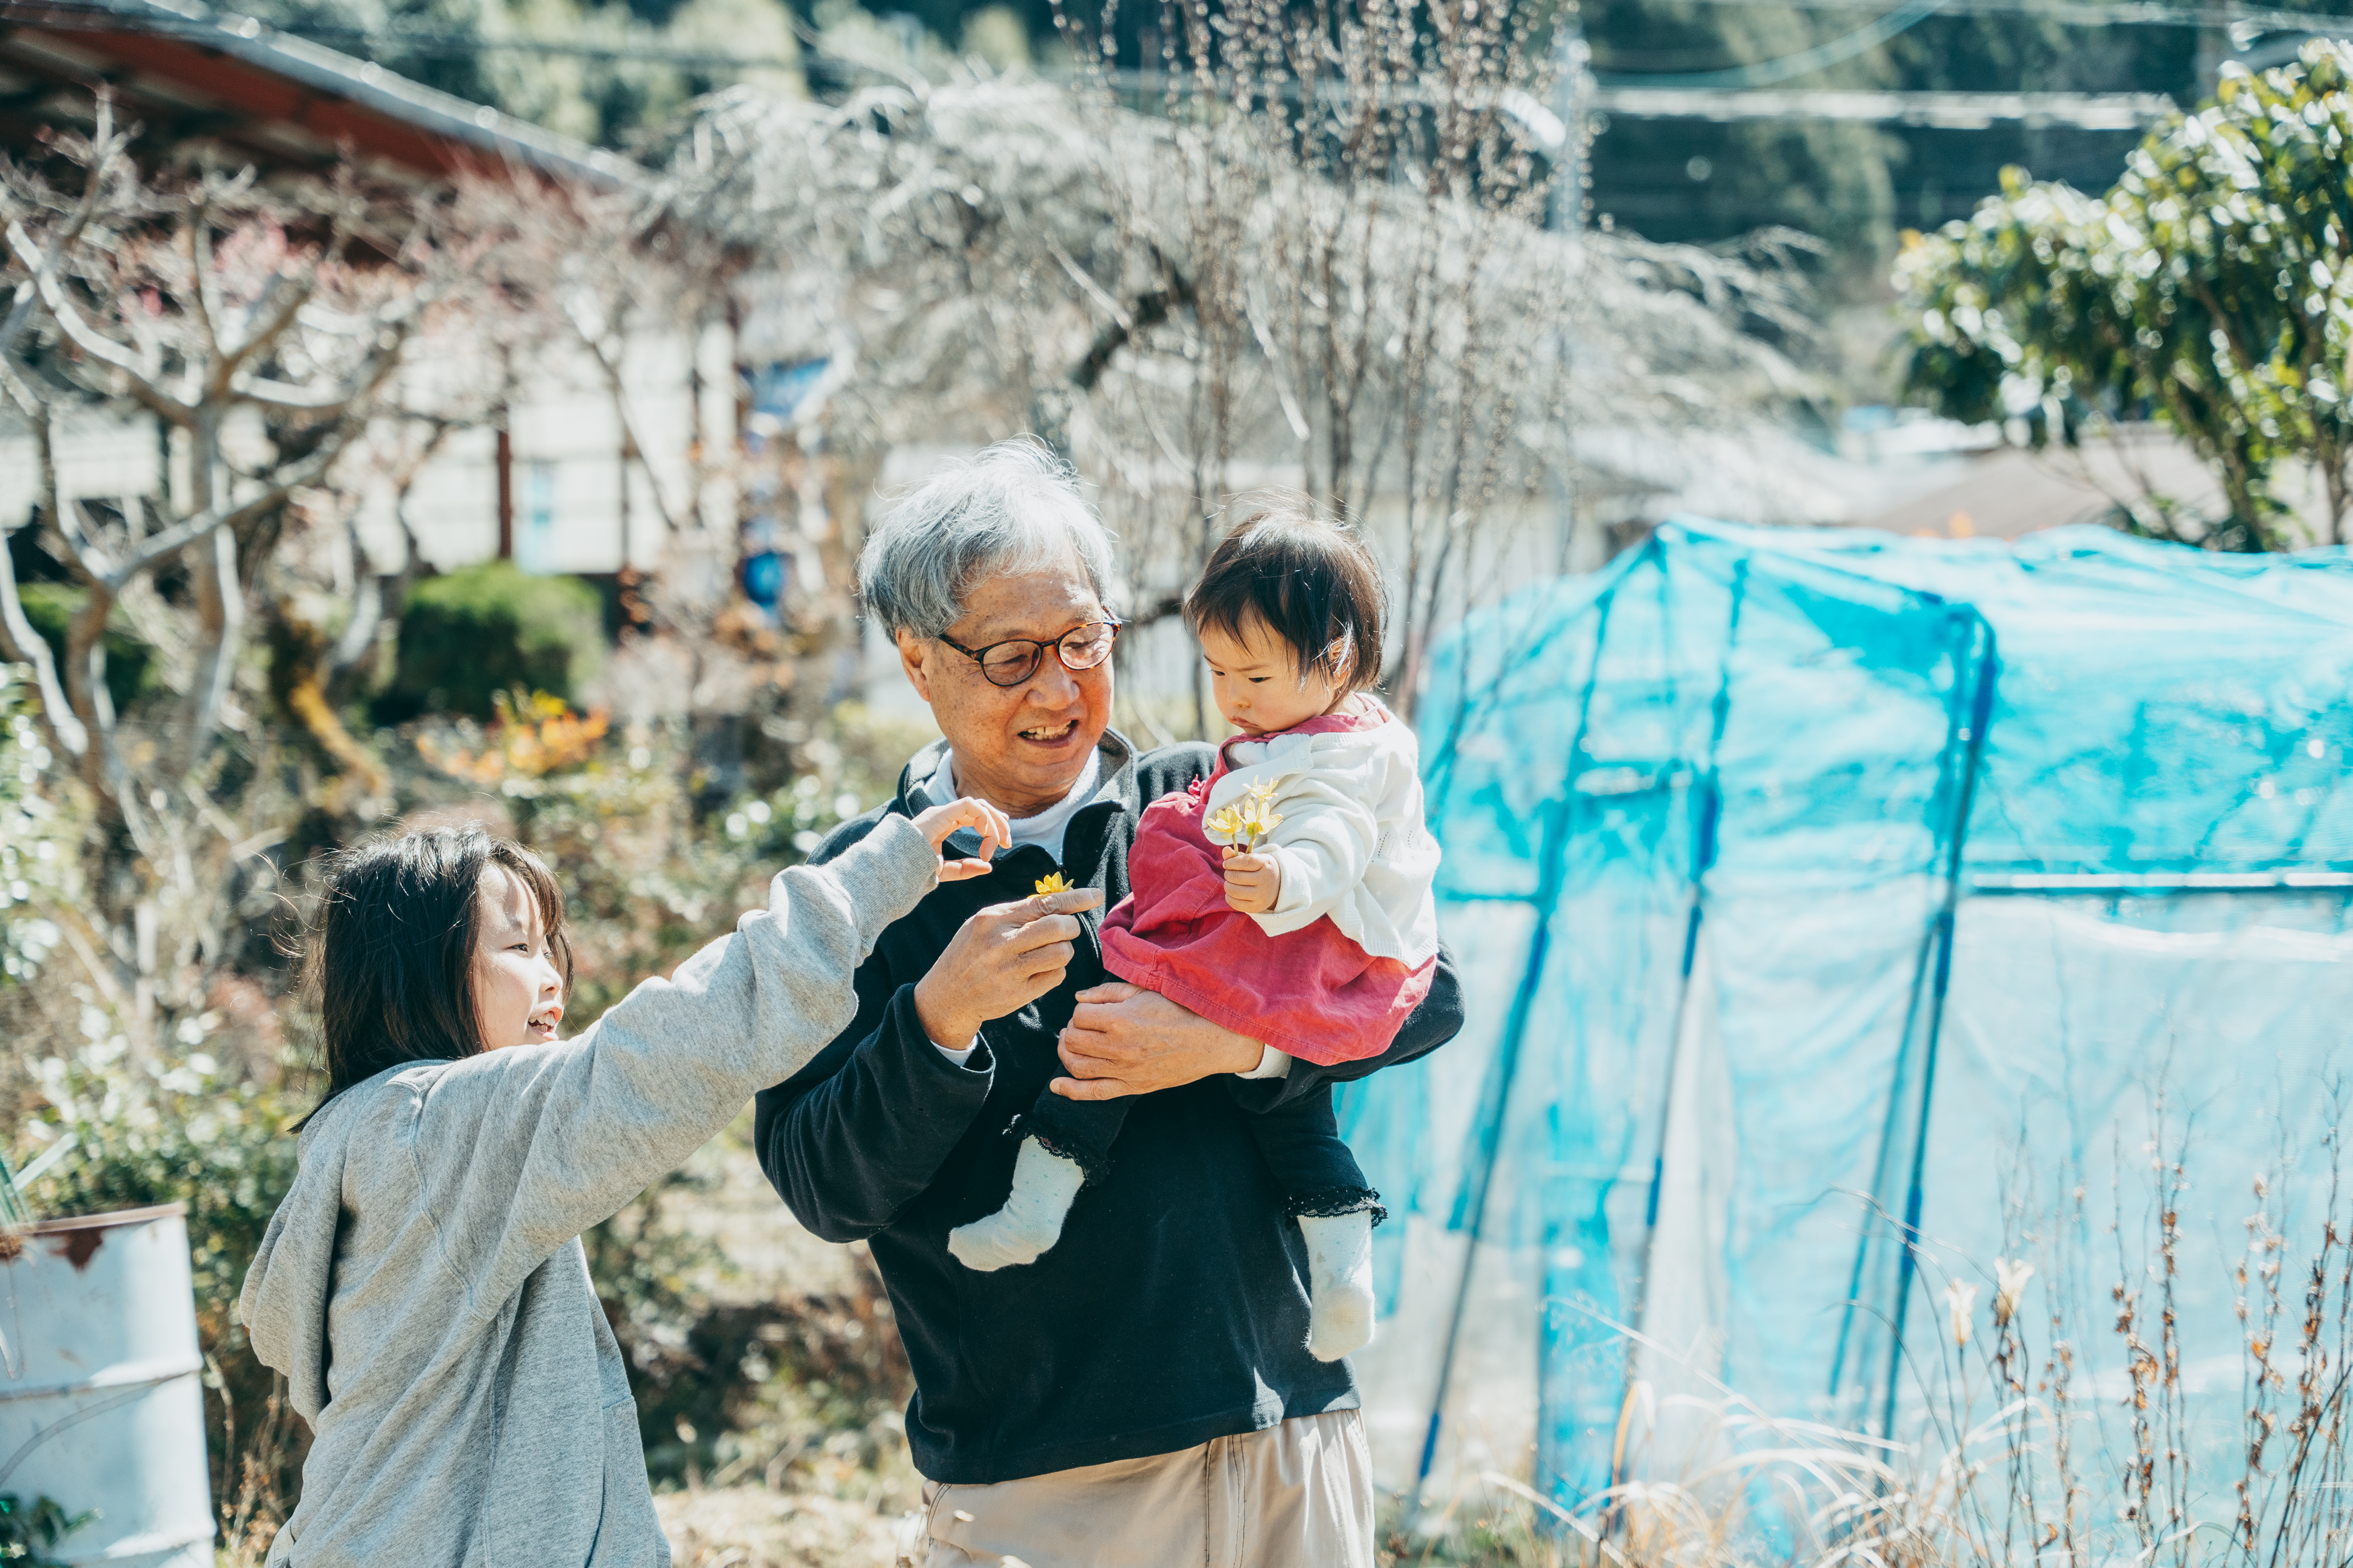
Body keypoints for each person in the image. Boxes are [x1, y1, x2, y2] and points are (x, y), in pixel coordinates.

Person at [754, 438, 1465, 1568]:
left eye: (1084, 639)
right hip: (1049, 1482)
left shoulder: (1221, 797)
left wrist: (1236, 1044)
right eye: (1010, 653)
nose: (1059, 684)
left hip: (1290, 1435)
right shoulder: (854, 893)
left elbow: (1425, 989)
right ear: (917, 660)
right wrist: (937, 1021)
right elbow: (819, 1182)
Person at [237, 796, 1038, 1567]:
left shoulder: (387, 1140)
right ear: (414, 974)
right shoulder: (430, 1129)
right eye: (517, 948)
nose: (552, 976)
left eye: (551, 944)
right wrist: (877, 874)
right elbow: (671, 1048)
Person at [947, 499, 1440, 1370]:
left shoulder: (1340, 757)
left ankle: (1039, 1196)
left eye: (1252, 675)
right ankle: (1344, 1274)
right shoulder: (1311, 731)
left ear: (1335, 660)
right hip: (1296, 937)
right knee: (1292, 1118)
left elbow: (1333, 835)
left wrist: (1285, 880)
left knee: (1105, 1046)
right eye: (1217, 673)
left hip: (1299, 930)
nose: (1232, 699)